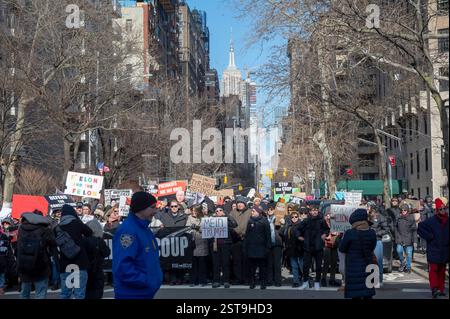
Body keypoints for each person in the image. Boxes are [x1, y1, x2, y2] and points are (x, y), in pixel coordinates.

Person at [113, 192, 162, 299]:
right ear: (141, 208)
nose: (155, 211)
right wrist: (146, 281)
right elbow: (123, 266)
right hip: (132, 294)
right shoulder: (128, 231)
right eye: (152, 207)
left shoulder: (144, 228)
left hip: (143, 293)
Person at [17, 212, 57, 299]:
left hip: (24, 265)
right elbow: (53, 243)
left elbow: (18, 247)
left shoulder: (21, 228)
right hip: (41, 265)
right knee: (40, 293)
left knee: (24, 293)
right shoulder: (45, 229)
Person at [339, 208, 377, 299]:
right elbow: (372, 247)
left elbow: (342, 248)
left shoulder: (350, 233)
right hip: (368, 265)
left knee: (355, 294)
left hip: (353, 268)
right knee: (368, 293)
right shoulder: (372, 232)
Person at [57, 204, 93, 299]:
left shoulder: (58, 227)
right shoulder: (77, 223)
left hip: (65, 264)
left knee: (65, 294)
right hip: (80, 263)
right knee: (79, 294)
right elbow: (89, 232)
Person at [418, 198, 449, 299]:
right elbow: (420, 228)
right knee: (434, 270)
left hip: (444, 250)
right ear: (437, 210)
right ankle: (434, 289)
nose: (443, 210)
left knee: (442, 270)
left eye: (444, 208)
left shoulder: (448, 221)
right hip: (434, 249)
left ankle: (441, 289)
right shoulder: (431, 221)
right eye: (440, 209)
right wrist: (429, 236)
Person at [297, 206, 330, 290]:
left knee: (318, 266)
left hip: (318, 247)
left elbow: (327, 229)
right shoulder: (306, 220)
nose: (314, 212)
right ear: (310, 212)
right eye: (313, 210)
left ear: (318, 211)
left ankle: (317, 282)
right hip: (307, 246)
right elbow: (298, 229)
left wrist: (324, 234)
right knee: (306, 266)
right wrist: (299, 236)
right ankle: (305, 282)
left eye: (316, 210)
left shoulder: (322, 220)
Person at [158, 199, 188, 285]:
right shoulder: (165, 216)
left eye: (175, 206)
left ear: (178, 207)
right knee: (170, 261)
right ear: (169, 207)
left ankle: (180, 278)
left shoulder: (184, 216)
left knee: (180, 261)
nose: (174, 208)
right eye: (172, 206)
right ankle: (172, 279)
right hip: (169, 242)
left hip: (180, 241)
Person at [243, 206, 271, 289]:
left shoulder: (264, 221)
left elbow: (268, 235)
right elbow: (247, 235)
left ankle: (263, 283)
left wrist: (268, 247)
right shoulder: (250, 221)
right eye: (252, 211)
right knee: (252, 268)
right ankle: (252, 282)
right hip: (251, 248)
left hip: (261, 248)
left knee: (262, 268)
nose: (252, 212)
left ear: (258, 212)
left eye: (253, 211)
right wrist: (245, 246)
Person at [210, 205, 237, 288]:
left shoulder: (226, 219)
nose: (218, 212)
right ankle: (216, 281)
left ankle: (226, 280)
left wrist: (226, 215)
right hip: (215, 244)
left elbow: (234, 224)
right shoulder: (212, 220)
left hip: (225, 244)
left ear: (223, 211)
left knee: (226, 263)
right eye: (217, 211)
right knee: (216, 263)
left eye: (220, 210)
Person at [83, 219, 111, 299]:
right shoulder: (99, 241)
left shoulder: (84, 240)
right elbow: (107, 252)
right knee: (97, 292)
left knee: (87, 292)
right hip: (98, 269)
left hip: (87, 270)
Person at [229, 196, 252, 285]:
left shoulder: (249, 212)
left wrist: (240, 231)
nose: (239, 204)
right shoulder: (232, 213)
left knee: (246, 261)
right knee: (236, 261)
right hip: (235, 240)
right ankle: (238, 278)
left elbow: (248, 225)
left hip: (246, 240)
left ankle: (247, 279)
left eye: (241, 203)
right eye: (238, 203)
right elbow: (230, 225)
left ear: (245, 204)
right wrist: (235, 232)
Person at [367, 202, 390, 286]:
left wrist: (376, 233)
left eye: (369, 207)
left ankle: (379, 280)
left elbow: (386, 229)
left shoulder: (381, 217)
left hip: (377, 241)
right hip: (367, 241)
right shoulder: (366, 217)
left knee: (378, 260)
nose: (367, 208)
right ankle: (370, 279)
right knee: (368, 261)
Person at [186, 205, 209, 287]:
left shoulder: (205, 218)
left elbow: (206, 229)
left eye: (195, 211)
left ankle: (203, 281)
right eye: (192, 210)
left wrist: (196, 227)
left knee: (202, 263)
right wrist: (191, 229)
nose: (194, 212)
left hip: (202, 242)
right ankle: (193, 280)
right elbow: (187, 228)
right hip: (193, 242)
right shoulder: (189, 218)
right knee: (194, 263)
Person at [280, 211, 304, 288]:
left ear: (298, 217)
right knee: (294, 266)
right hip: (291, 249)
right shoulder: (288, 225)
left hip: (300, 248)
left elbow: (305, 235)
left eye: (296, 216)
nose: (294, 218)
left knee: (302, 265)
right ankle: (296, 281)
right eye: (292, 217)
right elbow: (282, 234)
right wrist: (282, 225)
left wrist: (302, 238)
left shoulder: (302, 225)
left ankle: (305, 279)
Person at [395, 204, 417, 273]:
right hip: (400, 238)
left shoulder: (411, 218)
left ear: (407, 210)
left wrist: (415, 240)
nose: (403, 211)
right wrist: (397, 236)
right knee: (399, 251)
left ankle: (408, 267)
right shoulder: (398, 217)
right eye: (402, 210)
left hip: (409, 238)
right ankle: (403, 262)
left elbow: (414, 230)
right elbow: (395, 228)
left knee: (409, 254)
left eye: (405, 210)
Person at [321, 210, 341, 287]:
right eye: (328, 215)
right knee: (326, 262)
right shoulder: (323, 223)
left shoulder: (336, 222)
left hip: (334, 244)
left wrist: (339, 234)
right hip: (326, 245)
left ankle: (332, 279)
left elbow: (340, 232)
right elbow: (321, 232)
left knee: (334, 263)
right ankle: (323, 279)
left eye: (330, 214)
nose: (329, 216)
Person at [265, 203, 283, 287]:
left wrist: (282, 224)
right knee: (269, 263)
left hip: (277, 243)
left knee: (277, 263)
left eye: (271, 209)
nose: (269, 211)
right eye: (268, 209)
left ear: (274, 210)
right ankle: (269, 280)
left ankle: (278, 281)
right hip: (268, 243)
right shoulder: (265, 219)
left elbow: (283, 232)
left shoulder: (279, 218)